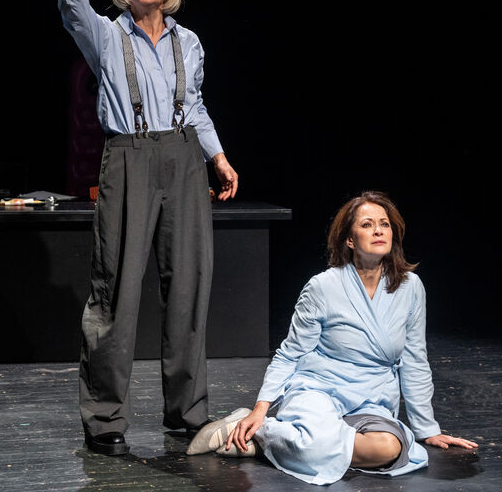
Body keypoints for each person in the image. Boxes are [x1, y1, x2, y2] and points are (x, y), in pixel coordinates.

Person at [55, 0, 238, 456]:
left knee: (188, 286)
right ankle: (105, 419)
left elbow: (195, 105)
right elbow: (73, 11)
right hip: (130, 157)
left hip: (183, 158)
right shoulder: (107, 36)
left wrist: (217, 157)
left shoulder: (190, 42)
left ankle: (186, 412)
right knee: (116, 288)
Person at [187, 191, 478, 485]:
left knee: (389, 448)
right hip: (319, 390)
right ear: (349, 240)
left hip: (371, 399)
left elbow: (414, 360)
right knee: (319, 444)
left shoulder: (410, 287)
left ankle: (267, 442)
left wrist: (427, 429)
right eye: (367, 225)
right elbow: (290, 354)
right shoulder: (323, 287)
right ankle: (257, 428)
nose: (378, 230)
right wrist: (260, 409)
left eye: (384, 224)